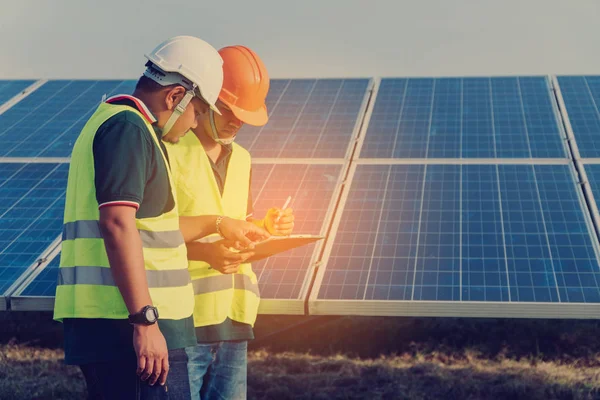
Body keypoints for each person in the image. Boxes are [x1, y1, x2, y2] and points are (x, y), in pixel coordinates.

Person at [53, 36, 269, 400]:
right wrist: (145, 321)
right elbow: (118, 224)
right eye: (199, 112)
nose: (196, 123)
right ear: (175, 97)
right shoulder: (128, 129)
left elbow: (155, 231)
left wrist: (218, 223)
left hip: (127, 327)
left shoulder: (129, 128)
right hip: (127, 328)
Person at [165, 45, 294, 400]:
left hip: (235, 319)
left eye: (245, 115)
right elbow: (150, 237)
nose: (237, 121)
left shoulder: (243, 159)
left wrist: (267, 227)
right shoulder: (168, 151)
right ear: (205, 100)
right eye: (230, 111)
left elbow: (238, 221)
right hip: (183, 322)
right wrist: (206, 256)